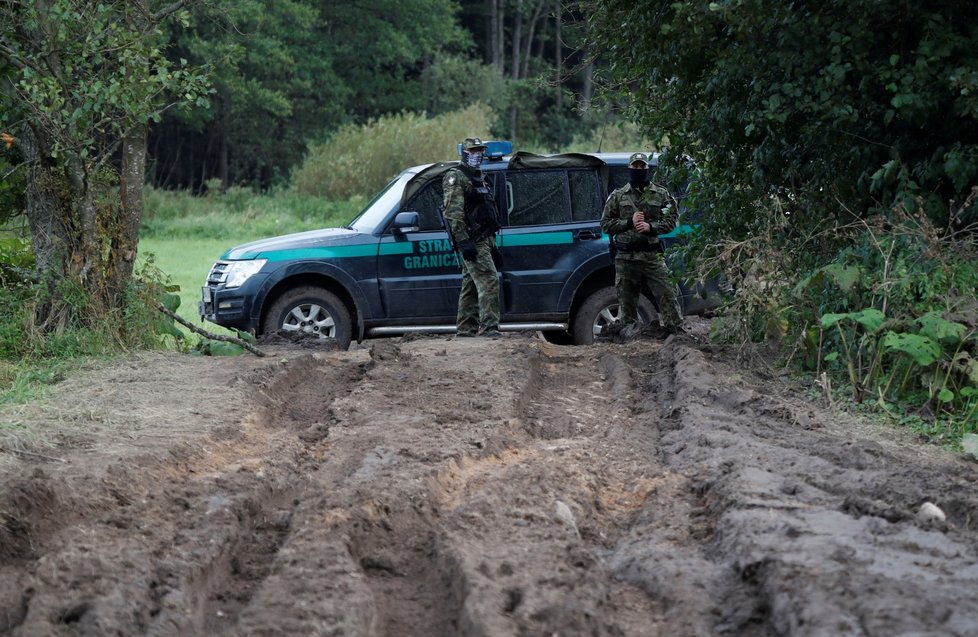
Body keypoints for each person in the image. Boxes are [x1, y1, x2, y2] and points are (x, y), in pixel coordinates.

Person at [600, 152, 683, 338]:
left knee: (667, 293)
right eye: (635, 167)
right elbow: (605, 224)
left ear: (647, 169)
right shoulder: (618, 196)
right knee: (627, 301)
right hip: (626, 258)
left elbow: (671, 221)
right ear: (629, 169)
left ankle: (676, 334)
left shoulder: (661, 195)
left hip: (651, 256)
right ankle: (630, 339)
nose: (639, 170)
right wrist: (628, 222)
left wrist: (651, 227)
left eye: (642, 167)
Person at [442, 137, 503, 337]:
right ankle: (489, 329)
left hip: (484, 238)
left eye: (480, 150)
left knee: (470, 285)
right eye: (473, 151)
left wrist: (492, 244)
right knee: (489, 280)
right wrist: (464, 241)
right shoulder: (457, 177)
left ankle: (466, 330)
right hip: (473, 240)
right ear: (465, 153)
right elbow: (453, 213)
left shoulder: (480, 176)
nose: (478, 154)